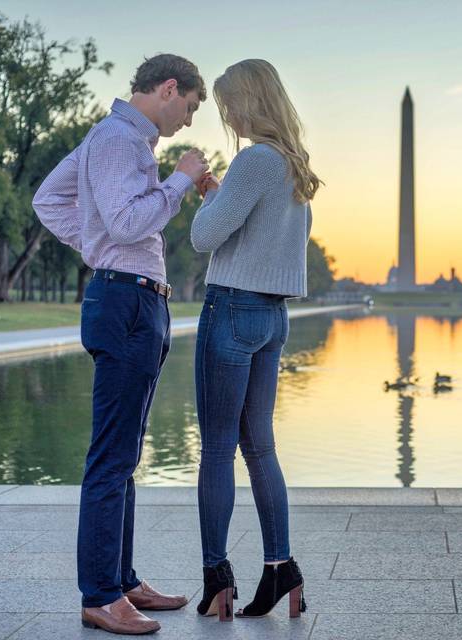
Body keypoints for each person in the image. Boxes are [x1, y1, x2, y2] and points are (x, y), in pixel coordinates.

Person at [32, 53, 213, 635]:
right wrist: (181, 178)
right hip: (127, 303)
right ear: (168, 88)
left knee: (125, 455)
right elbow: (132, 223)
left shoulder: (111, 139)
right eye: (187, 107)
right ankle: (100, 595)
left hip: (134, 300)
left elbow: (48, 200)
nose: (186, 123)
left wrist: (94, 240)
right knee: (111, 458)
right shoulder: (117, 141)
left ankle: (124, 581)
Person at [189, 59, 318, 622]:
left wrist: (209, 196)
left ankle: (217, 576)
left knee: (217, 448)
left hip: (232, 309)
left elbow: (203, 237)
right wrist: (220, 194)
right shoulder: (292, 166)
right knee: (260, 446)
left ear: (250, 101)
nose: (226, 116)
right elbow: (256, 234)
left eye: (228, 104)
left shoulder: (253, 159)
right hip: (272, 318)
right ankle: (280, 568)